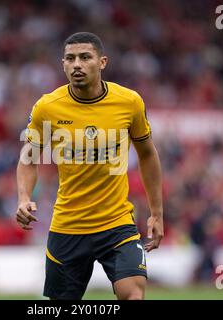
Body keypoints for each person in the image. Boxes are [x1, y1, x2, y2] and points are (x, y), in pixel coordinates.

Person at [16, 32, 163, 300]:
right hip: (67, 227)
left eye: (85, 57)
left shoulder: (129, 102)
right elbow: (28, 158)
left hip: (117, 223)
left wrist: (156, 212)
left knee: (133, 296)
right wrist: (24, 197)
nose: (77, 65)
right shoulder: (47, 107)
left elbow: (147, 154)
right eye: (70, 59)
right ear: (63, 64)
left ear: (102, 62)